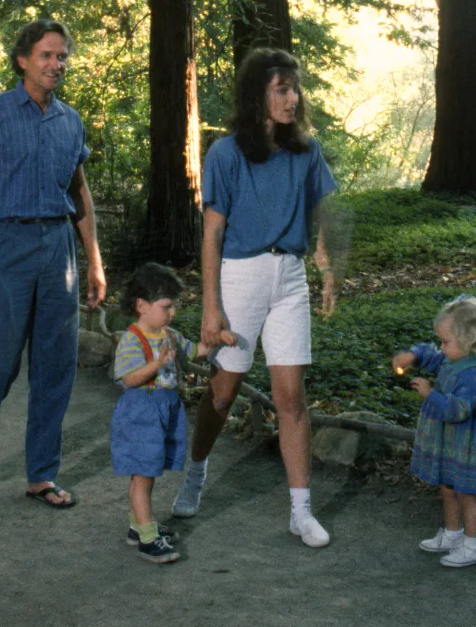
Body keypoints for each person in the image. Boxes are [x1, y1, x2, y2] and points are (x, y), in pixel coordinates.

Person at [173, 48, 338, 547]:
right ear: (257, 95)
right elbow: (212, 235)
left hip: (289, 276)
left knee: (291, 398)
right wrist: (210, 305)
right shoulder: (225, 153)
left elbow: (319, 217)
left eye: (295, 88)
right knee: (223, 393)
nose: (293, 98)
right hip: (239, 276)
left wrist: (326, 271)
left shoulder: (306, 151)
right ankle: (196, 473)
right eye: (281, 89)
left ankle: (300, 511)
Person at [0, 18, 106, 506]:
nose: (56, 65)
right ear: (23, 60)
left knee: (56, 366)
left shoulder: (70, 121)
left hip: (58, 249)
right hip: (6, 248)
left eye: (62, 57)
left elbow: (79, 193)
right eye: (46, 56)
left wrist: (94, 261)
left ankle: (42, 474)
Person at [110, 262, 237, 564]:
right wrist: (156, 364)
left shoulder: (169, 335)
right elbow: (127, 378)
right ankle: (148, 540)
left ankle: (138, 526)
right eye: (166, 307)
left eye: (174, 307)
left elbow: (195, 352)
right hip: (141, 414)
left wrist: (218, 339)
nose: (172, 313)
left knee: (149, 473)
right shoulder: (132, 339)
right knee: (143, 476)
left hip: (163, 412)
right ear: (141, 305)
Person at [391, 295, 476, 568]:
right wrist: (413, 355)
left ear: (469, 340)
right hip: (447, 440)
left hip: (464, 440)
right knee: (448, 487)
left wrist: (430, 394)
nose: (442, 346)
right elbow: (432, 356)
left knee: (466, 492)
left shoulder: (472, 373)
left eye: (446, 341)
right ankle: (453, 534)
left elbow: (459, 411)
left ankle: (474, 545)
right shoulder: (451, 360)